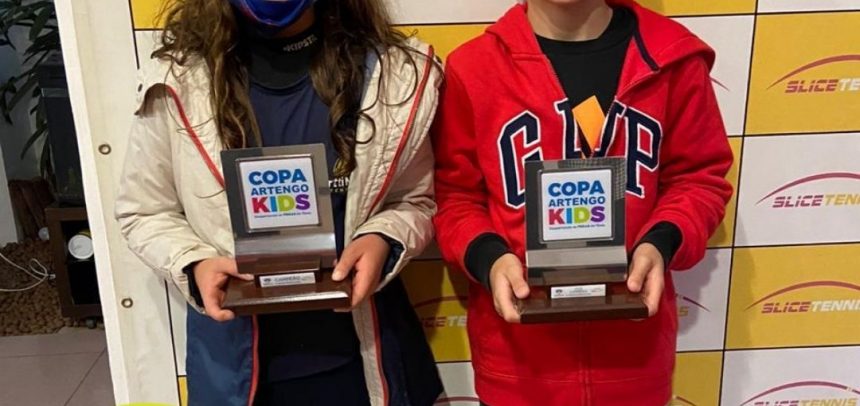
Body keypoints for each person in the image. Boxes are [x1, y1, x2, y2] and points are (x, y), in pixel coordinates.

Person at [115, 0, 443, 405]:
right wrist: (194, 263)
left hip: (365, 361)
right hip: (234, 372)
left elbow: (413, 201)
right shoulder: (176, 81)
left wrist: (382, 239)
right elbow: (145, 211)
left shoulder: (390, 77)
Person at [432, 0, 733, 404]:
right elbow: (455, 196)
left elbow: (698, 179)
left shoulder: (672, 59)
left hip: (634, 360)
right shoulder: (474, 67)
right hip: (518, 363)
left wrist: (661, 242)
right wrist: (489, 258)